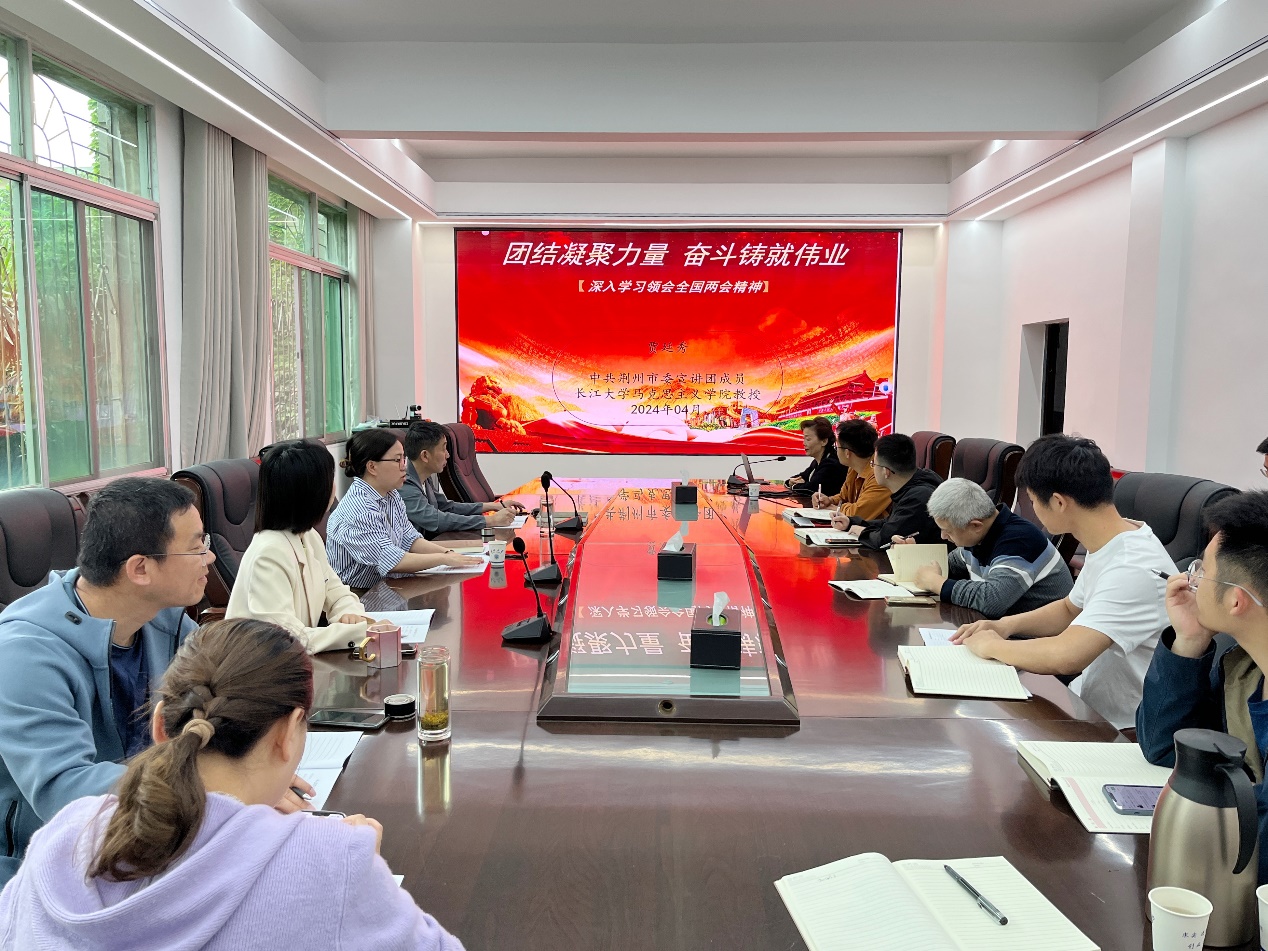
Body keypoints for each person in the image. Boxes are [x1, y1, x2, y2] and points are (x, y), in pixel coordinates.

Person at [0, 618, 466, 950]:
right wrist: (361, 883)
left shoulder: (61, 838)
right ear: (289, 734)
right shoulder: (331, 862)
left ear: (161, 727)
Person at [0, 478, 310, 888]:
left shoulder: (162, 619)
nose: (209, 556)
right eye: (196, 546)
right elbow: (65, 790)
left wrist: (260, 767)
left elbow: (225, 696)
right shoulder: (24, 653)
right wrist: (227, 782)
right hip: (49, 872)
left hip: (153, 840)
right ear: (140, 568)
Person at [952, 434, 1174, 729]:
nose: (1032, 510)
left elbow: (1067, 655)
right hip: (1086, 703)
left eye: (1033, 501)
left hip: (1122, 728)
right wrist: (1004, 626)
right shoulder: (1111, 540)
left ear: (1058, 502)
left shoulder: (1131, 566)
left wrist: (992, 646)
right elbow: (1070, 609)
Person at [1135, 491, 1268, 882]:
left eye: (1202, 570)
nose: (1191, 580)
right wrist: (1189, 641)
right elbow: (1164, 748)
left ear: (1236, 601)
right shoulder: (1244, 671)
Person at [228, 440, 374, 653]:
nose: (333, 488)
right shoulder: (269, 553)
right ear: (311, 492)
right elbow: (285, 638)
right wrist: (360, 633)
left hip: (296, 661)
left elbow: (336, 591)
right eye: (329, 480)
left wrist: (349, 614)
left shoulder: (308, 536)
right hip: (258, 667)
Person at [326, 429, 483, 588]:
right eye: (397, 460)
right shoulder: (359, 509)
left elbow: (410, 539)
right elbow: (392, 560)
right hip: (360, 594)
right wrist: (444, 559)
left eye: (404, 459)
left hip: (389, 584)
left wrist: (447, 553)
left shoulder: (391, 494)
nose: (404, 467)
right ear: (372, 467)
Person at [904, 478, 1073, 618]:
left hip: (1039, 639)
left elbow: (991, 601)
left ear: (975, 525)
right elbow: (948, 566)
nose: (943, 536)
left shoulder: (1019, 541)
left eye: (948, 531)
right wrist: (914, 554)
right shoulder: (979, 536)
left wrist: (936, 583)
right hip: (1003, 629)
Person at [400, 420, 524, 537]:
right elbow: (436, 520)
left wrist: (493, 506)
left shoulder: (423, 476)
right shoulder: (405, 484)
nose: (448, 455)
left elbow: (446, 507)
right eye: (443, 449)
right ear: (425, 456)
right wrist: (489, 520)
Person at [832, 433, 942, 547]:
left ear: (886, 472)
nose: (872, 469)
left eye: (873, 464)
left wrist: (862, 532)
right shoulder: (910, 486)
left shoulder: (918, 498)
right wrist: (851, 523)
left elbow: (885, 540)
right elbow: (890, 523)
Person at [811, 419, 891, 520]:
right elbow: (844, 497)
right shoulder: (853, 469)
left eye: (837, 447)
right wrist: (829, 500)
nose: (836, 451)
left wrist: (836, 508)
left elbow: (859, 514)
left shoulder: (879, 475)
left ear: (847, 453)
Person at [784, 417, 847, 497]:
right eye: (804, 439)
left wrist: (794, 486)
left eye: (808, 439)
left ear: (824, 441)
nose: (804, 443)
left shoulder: (831, 464)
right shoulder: (817, 461)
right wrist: (790, 482)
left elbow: (811, 489)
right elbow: (800, 477)